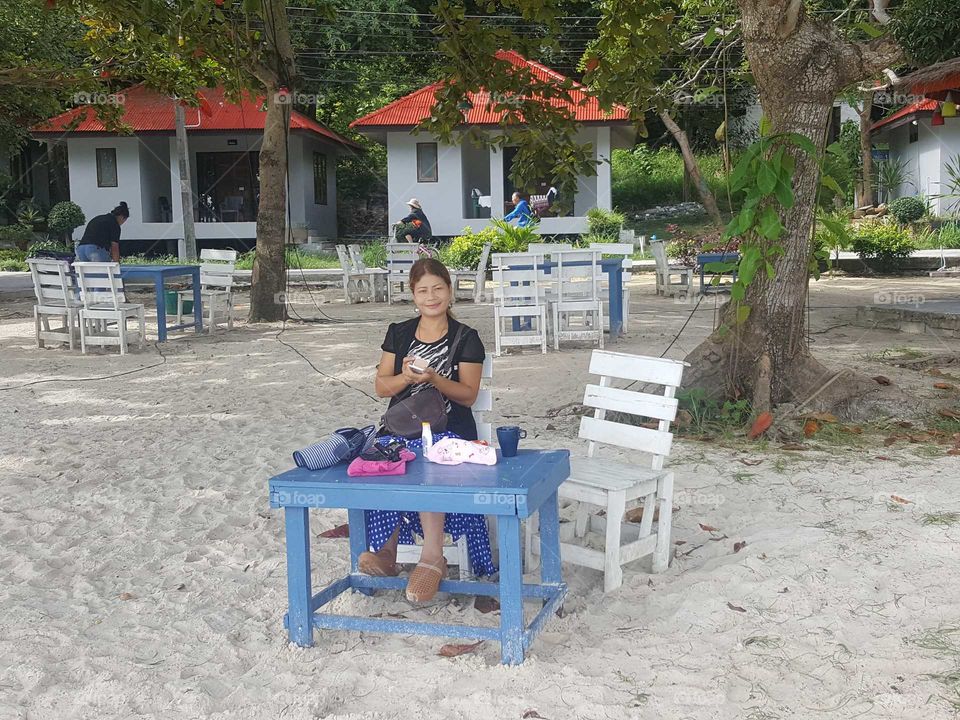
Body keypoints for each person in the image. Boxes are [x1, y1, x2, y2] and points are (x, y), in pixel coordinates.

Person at [359, 258, 493, 602]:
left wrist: (434, 378)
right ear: (413, 295)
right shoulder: (399, 333)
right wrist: (406, 377)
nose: (431, 297)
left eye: (438, 289)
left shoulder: (466, 338)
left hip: (451, 432)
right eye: (423, 291)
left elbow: (468, 394)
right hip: (403, 427)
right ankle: (387, 553)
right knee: (385, 457)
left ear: (449, 291)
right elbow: (381, 387)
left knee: (429, 459)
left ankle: (432, 557)